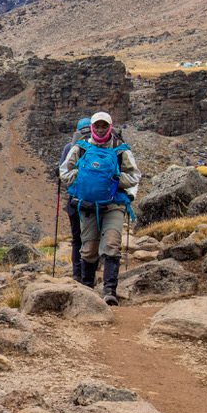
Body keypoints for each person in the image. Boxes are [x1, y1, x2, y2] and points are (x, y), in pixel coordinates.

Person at [59, 111, 141, 306]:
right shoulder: (80, 148)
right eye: (98, 126)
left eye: (105, 126)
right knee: (88, 250)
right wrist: (82, 178)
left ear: (110, 126)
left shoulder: (121, 150)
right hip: (88, 205)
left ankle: (109, 290)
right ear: (93, 127)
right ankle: (87, 289)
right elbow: (64, 172)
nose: (101, 129)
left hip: (114, 204)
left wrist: (115, 179)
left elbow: (135, 176)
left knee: (112, 244)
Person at [58, 117, 92, 280]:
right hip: (93, 200)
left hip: (74, 200)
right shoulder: (97, 146)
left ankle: (77, 274)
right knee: (91, 237)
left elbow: (62, 173)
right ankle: (89, 274)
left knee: (77, 238)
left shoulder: (69, 147)